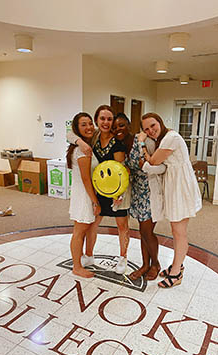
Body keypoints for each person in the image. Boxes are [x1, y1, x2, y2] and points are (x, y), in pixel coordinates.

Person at [138, 112, 202, 288]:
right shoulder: (165, 138)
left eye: (153, 125)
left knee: (179, 232)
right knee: (176, 230)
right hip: (175, 185)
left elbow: (153, 161)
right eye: (146, 129)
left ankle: (176, 273)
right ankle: (176, 265)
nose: (151, 130)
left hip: (181, 187)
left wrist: (142, 144)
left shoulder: (171, 137)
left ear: (160, 121)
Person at [67, 105, 129, 274]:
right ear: (97, 121)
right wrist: (79, 141)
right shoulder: (91, 139)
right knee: (92, 225)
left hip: (117, 191)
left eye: (109, 119)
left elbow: (121, 170)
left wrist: (120, 194)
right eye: (102, 119)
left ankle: (123, 258)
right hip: (96, 191)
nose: (106, 122)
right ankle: (88, 255)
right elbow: (70, 133)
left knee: (122, 225)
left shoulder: (117, 144)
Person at [112, 113, 166, 280]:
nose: (118, 129)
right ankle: (145, 265)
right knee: (143, 232)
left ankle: (155, 264)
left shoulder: (144, 141)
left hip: (150, 191)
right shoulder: (119, 146)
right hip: (136, 192)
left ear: (129, 125)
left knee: (147, 231)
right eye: (114, 127)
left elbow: (162, 166)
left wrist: (147, 166)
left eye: (121, 125)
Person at [66, 112, 101, 278]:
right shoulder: (81, 150)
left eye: (89, 123)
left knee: (83, 229)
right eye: (83, 124)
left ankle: (81, 261)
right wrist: (95, 202)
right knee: (79, 231)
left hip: (85, 193)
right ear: (77, 129)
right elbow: (86, 179)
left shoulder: (86, 144)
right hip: (84, 195)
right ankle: (76, 266)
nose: (88, 127)